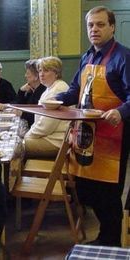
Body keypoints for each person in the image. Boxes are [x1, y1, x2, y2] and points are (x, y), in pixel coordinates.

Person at [56, 6, 130, 247]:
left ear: (111, 27)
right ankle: (104, 236)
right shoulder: (87, 56)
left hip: (114, 138)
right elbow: (75, 90)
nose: (94, 29)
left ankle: (110, 242)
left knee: (108, 193)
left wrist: (120, 112)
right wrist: (53, 101)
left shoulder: (123, 57)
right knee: (87, 189)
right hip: (87, 135)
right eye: (90, 25)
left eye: (100, 24)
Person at [24, 56, 69, 158]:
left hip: (56, 141)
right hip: (49, 137)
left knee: (17, 146)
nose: (41, 74)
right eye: (40, 71)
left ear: (56, 73)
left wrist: (28, 135)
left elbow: (46, 126)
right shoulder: (50, 88)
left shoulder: (59, 88)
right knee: (16, 141)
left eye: (46, 70)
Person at [16, 59, 46, 127]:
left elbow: (37, 116)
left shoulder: (42, 92)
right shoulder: (32, 90)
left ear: (36, 76)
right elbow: (19, 105)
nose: (25, 76)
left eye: (27, 73)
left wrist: (21, 114)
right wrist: (21, 91)